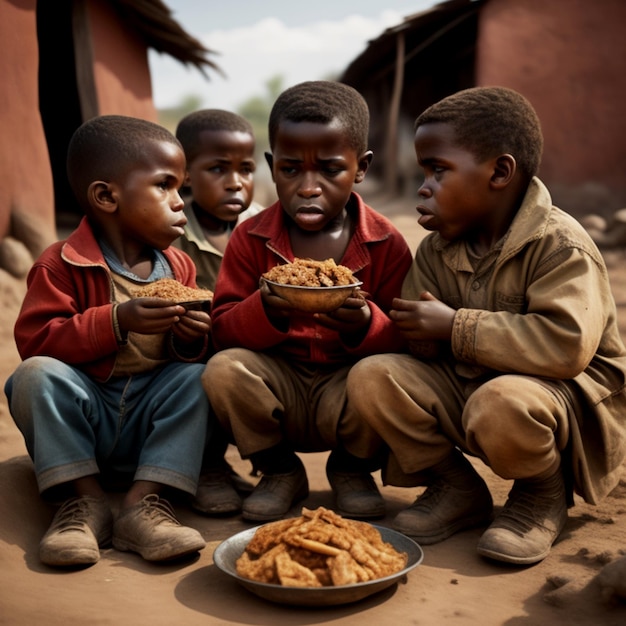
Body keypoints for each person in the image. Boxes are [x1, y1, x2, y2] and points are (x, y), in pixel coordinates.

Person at [346, 86, 626, 565]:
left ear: (499, 172)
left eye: (439, 170)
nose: (423, 187)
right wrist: (412, 334)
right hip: (476, 390)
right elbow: (418, 337)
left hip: (562, 400)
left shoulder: (560, 246)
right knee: (373, 376)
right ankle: (456, 488)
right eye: (423, 172)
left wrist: (455, 327)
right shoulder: (437, 249)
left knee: (501, 402)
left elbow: (566, 348)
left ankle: (542, 495)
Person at [4, 115, 215, 568]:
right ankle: (84, 504)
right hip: (87, 420)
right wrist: (117, 319)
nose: (181, 203)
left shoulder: (179, 267)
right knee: (35, 375)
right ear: (106, 196)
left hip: (148, 427)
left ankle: (144, 504)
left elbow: (183, 359)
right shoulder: (61, 264)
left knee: (197, 378)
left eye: (182, 188)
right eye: (165, 186)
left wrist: (188, 338)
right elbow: (38, 341)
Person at [202, 80, 413, 522]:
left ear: (361, 168)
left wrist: (364, 325)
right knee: (224, 369)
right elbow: (221, 328)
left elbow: (405, 339)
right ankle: (280, 471)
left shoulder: (386, 242)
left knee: (383, 374)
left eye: (330, 170)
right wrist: (264, 311)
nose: (309, 187)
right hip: (279, 385)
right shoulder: (250, 237)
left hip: (346, 389)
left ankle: (352, 469)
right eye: (291, 169)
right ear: (271, 166)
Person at [173, 109, 263, 516]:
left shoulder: (262, 225)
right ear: (186, 175)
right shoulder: (171, 231)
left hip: (247, 341)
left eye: (246, 169)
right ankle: (205, 465)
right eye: (218, 169)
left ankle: (265, 464)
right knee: (199, 374)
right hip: (189, 346)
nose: (236, 183)